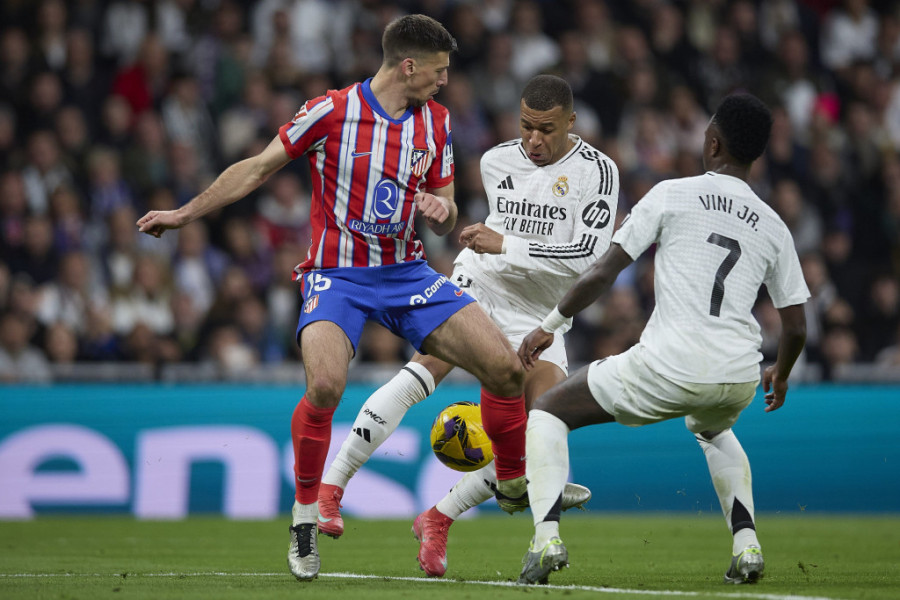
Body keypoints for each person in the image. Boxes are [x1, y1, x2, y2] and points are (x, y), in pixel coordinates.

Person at [136, 15, 529, 582]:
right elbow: (258, 168)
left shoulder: (437, 122)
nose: (446, 81)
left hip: (407, 273)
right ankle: (304, 517)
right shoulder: (331, 110)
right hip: (337, 274)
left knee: (506, 370)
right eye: (439, 71)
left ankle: (512, 483)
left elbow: (444, 208)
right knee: (324, 385)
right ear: (409, 66)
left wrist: (441, 210)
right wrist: (183, 214)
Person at [317, 74, 620, 577]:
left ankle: (438, 518)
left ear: (571, 122)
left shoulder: (598, 171)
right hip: (482, 284)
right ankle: (333, 485)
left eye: (546, 130)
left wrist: (507, 243)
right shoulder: (496, 160)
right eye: (526, 126)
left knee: (544, 428)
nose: (533, 140)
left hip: (540, 312)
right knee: (424, 370)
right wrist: (491, 245)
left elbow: (588, 258)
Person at [516, 93, 809, 586]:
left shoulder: (672, 193)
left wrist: (551, 323)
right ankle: (747, 546)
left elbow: (603, 272)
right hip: (739, 373)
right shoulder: (773, 224)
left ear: (712, 143)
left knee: (547, 410)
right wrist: (780, 373)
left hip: (670, 365)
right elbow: (797, 326)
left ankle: (545, 539)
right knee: (712, 430)